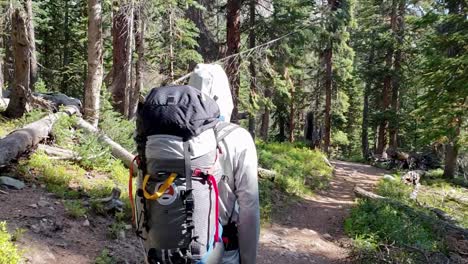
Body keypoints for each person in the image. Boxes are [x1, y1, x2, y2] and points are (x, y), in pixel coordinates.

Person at [189, 64, 260, 264]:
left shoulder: (169, 135)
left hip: (169, 251)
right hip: (221, 252)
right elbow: (249, 207)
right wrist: (248, 260)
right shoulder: (238, 137)